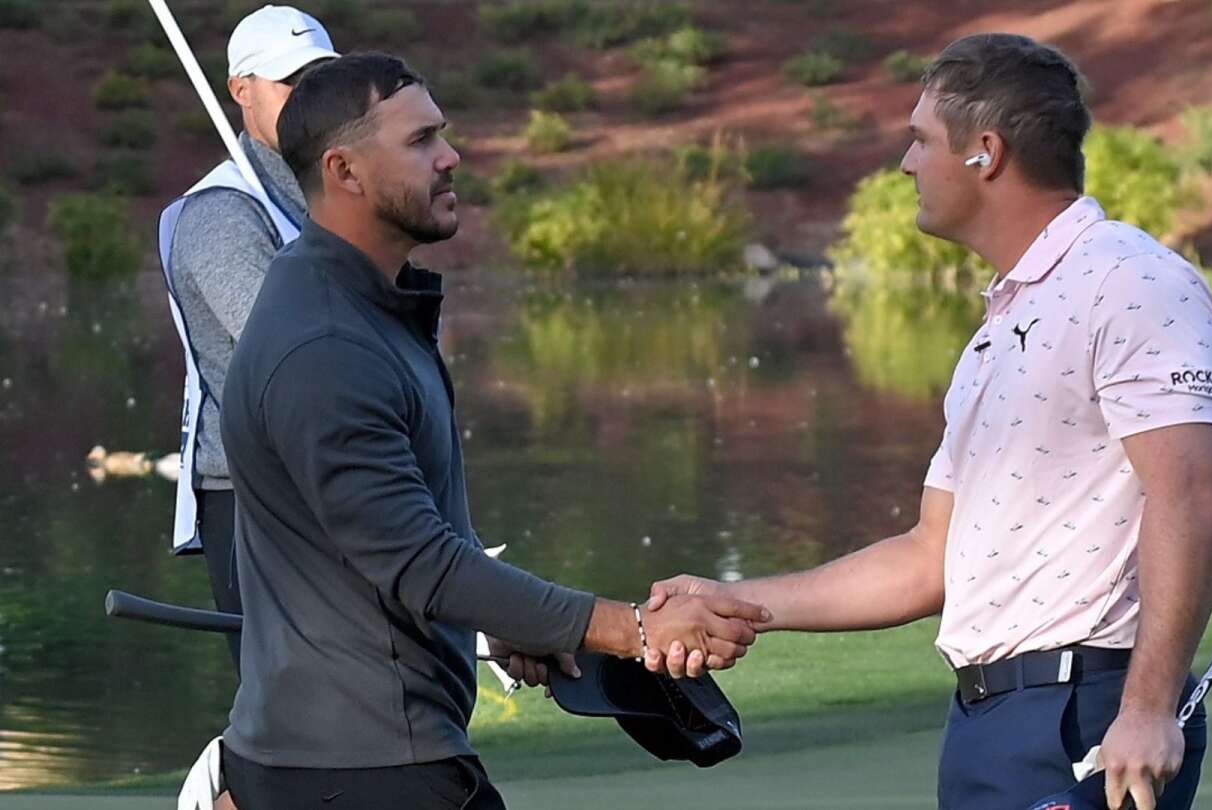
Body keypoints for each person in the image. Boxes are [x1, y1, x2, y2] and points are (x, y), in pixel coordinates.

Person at [648, 33, 1212, 810]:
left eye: (920, 139)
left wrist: (1150, 707)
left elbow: (1187, 493)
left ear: (984, 152)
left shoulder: (1131, 280)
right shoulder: (1003, 325)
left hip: (1086, 713)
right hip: (987, 724)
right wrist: (735, 599)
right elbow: (930, 560)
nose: (906, 163)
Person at [217, 52, 768, 809]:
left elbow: (393, 543)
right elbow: (421, 563)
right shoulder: (325, 347)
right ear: (344, 171)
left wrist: (512, 621)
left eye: (440, 134)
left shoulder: (353, 305)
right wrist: (629, 628)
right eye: (419, 142)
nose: (451, 157)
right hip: (365, 771)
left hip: (354, 758)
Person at [158, 4, 337, 671]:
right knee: (284, 703)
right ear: (243, 91)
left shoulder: (336, 193)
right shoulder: (221, 212)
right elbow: (294, 355)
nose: (310, 99)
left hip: (336, 473)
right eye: (292, 83)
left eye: (322, 79)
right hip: (251, 488)